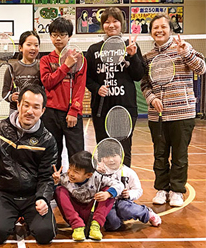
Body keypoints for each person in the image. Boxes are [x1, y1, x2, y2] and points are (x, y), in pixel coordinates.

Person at [140, 14, 206, 207]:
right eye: (155, 27)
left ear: (170, 29)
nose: (159, 30)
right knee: (159, 154)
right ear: (151, 31)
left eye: (163, 27)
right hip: (157, 115)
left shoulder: (184, 48)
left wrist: (186, 53)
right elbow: (145, 83)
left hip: (182, 113)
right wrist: (151, 99)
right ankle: (162, 189)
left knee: (179, 154)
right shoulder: (147, 57)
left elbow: (201, 69)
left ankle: (177, 190)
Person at [0, 84, 58, 244]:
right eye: (26, 105)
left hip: (33, 196)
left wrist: (43, 199)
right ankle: (10, 216)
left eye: (36, 107)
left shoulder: (48, 140)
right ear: (18, 105)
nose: (30, 111)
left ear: (43, 111)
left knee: (46, 235)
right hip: (6, 194)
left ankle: (28, 218)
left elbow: (47, 177)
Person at [85, 7, 146, 167]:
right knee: (104, 149)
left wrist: (132, 56)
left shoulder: (131, 45)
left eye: (115, 21)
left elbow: (138, 75)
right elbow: (87, 78)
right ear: (102, 25)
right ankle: (106, 184)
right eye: (107, 22)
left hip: (125, 107)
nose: (111, 25)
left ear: (122, 24)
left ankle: (123, 185)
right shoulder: (93, 50)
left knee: (123, 148)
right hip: (101, 107)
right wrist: (97, 88)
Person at [40, 17, 87, 170]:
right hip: (51, 113)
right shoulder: (46, 60)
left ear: (69, 36)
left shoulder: (79, 59)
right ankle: (54, 185)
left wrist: (74, 110)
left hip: (72, 114)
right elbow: (47, 82)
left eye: (62, 34)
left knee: (76, 153)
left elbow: (80, 86)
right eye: (54, 34)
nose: (58, 38)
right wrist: (65, 67)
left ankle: (78, 187)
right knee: (53, 152)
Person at [52, 151, 124, 241]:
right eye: (70, 168)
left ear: (89, 175)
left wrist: (107, 194)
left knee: (108, 190)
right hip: (75, 214)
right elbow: (50, 195)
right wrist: (54, 183)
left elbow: (119, 185)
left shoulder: (98, 177)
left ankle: (96, 226)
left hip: (92, 213)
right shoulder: (64, 178)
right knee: (59, 190)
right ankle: (77, 226)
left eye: (76, 172)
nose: (70, 173)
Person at [96, 148, 162, 231]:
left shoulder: (128, 172)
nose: (111, 160)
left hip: (123, 202)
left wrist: (129, 194)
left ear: (121, 156)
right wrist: (95, 172)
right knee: (113, 225)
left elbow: (138, 190)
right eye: (107, 157)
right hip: (107, 203)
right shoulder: (98, 172)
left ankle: (147, 213)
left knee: (124, 208)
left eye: (114, 156)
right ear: (101, 159)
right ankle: (117, 219)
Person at [2, 30, 41, 115]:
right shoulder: (11, 68)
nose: (33, 48)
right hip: (15, 111)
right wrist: (11, 97)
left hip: (35, 112)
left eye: (36, 45)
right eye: (29, 44)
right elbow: (4, 93)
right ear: (20, 47)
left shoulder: (41, 66)